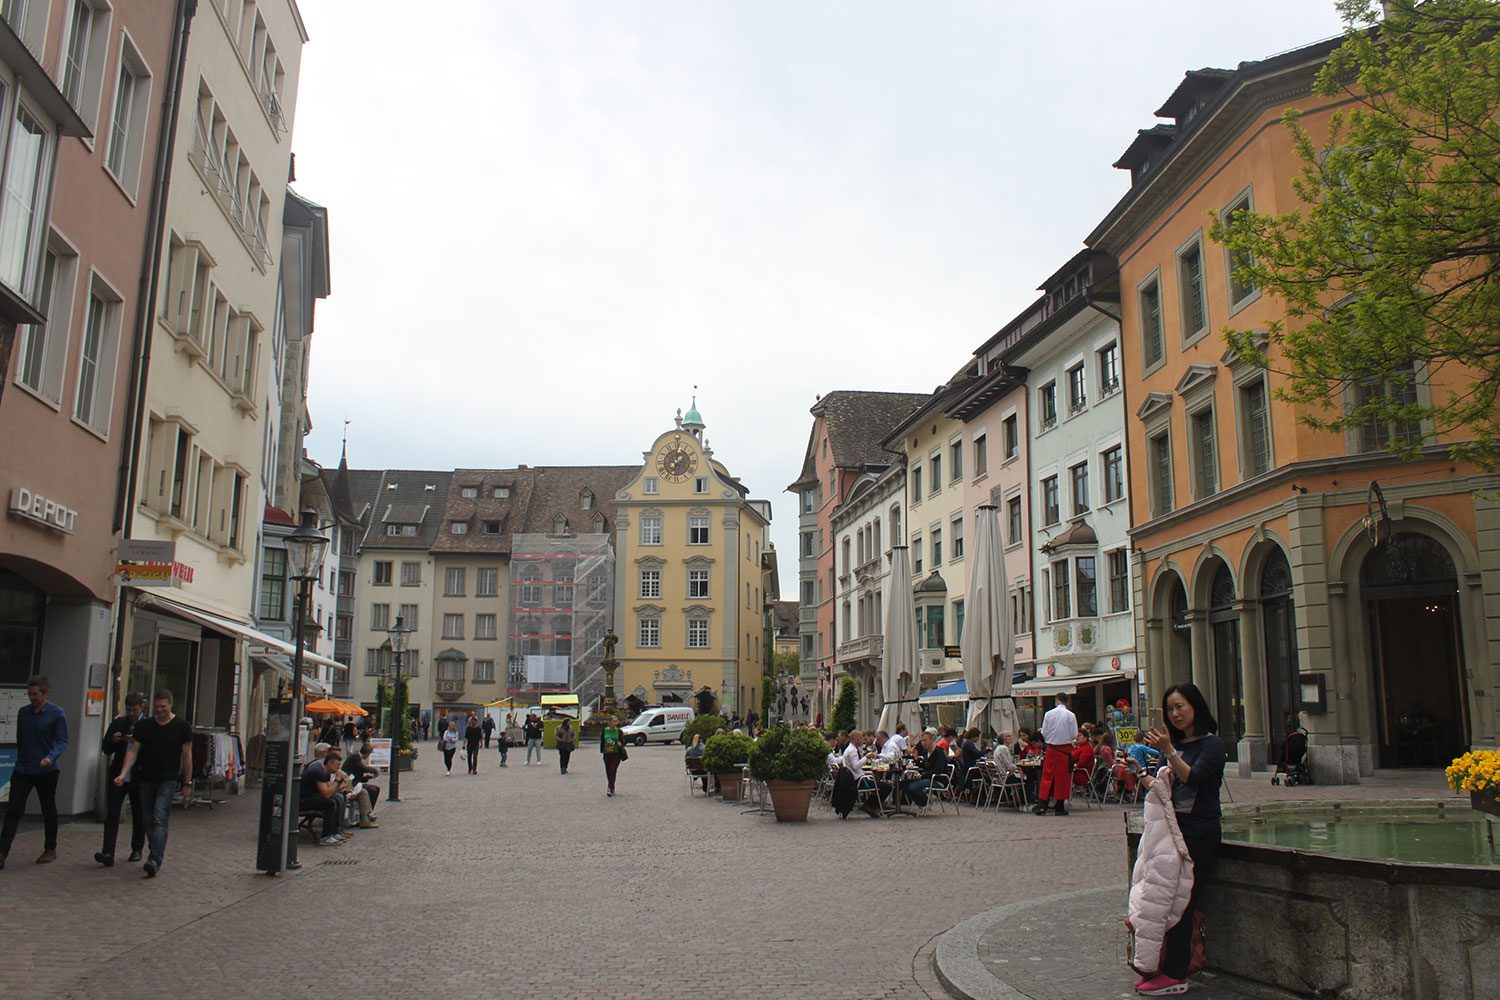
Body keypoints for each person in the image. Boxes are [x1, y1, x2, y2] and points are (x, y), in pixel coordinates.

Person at [1133, 683, 1227, 996]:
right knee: (1167, 901)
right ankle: (1164, 967)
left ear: (1195, 707)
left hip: (1199, 832)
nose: (1174, 714)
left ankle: (1176, 974)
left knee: (1184, 901)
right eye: (1170, 708)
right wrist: (1141, 774)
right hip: (1174, 831)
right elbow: (1167, 789)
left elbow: (1194, 777)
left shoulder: (1212, 745)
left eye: (1180, 707)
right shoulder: (1178, 744)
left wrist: (1169, 751)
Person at [113, 690, 193, 876]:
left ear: (170, 705)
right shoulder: (144, 726)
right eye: (157, 707)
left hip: (168, 779)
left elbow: (187, 756)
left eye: (163, 707)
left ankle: (155, 859)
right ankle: (154, 850)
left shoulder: (182, 726)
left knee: (159, 817)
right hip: (146, 778)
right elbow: (133, 751)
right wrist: (123, 773)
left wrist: (187, 783)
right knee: (147, 819)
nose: (159, 710)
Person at [0, 676, 68, 869]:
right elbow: (21, 738)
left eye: (35, 694)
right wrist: (21, 758)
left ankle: (50, 848)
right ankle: (2, 852)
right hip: (24, 768)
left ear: (45, 693)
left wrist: (51, 756)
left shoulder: (57, 714)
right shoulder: (23, 713)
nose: (32, 697)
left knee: (48, 809)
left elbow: (62, 740)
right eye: (29, 694)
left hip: (46, 770)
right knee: (14, 809)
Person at [97, 692, 148, 867]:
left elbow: (151, 750)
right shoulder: (119, 723)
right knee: (112, 813)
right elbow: (106, 748)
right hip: (118, 775)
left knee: (138, 813)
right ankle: (108, 851)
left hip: (139, 775)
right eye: (129, 710)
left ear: (142, 707)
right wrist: (115, 740)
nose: (131, 713)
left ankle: (136, 849)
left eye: (134, 710)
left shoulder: (148, 725)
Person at [1034, 692, 1079, 817]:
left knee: (1047, 777)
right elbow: (1074, 734)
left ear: (1057, 700)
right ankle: (1059, 807)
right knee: (1062, 779)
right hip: (1064, 750)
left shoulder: (1048, 714)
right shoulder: (1070, 715)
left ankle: (1043, 805)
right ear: (1067, 702)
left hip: (1051, 749)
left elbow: (1044, 732)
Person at [300, 748, 348, 847]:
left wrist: (341, 784)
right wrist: (338, 780)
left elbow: (330, 789)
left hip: (311, 796)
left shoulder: (325, 772)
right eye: (337, 765)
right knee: (330, 803)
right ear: (330, 763)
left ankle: (335, 832)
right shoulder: (318, 772)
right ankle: (326, 836)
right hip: (302, 799)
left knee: (337, 799)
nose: (339, 768)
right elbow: (326, 793)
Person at [343, 742, 382, 821]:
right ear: (367, 752)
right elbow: (363, 768)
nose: (369, 755)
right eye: (370, 753)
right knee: (372, 790)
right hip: (350, 784)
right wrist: (374, 770)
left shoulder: (357, 757)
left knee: (376, 789)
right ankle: (365, 814)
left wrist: (367, 777)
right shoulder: (355, 757)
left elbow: (358, 772)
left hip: (355, 782)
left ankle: (368, 812)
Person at [600, 715, 628, 796]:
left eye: (617, 721)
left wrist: (621, 743)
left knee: (612, 770)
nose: (616, 722)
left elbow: (623, 741)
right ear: (610, 722)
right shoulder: (604, 730)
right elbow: (602, 740)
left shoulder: (619, 731)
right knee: (608, 771)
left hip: (616, 754)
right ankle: (612, 786)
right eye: (614, 721)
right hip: (607, 753)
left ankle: (609, 787)